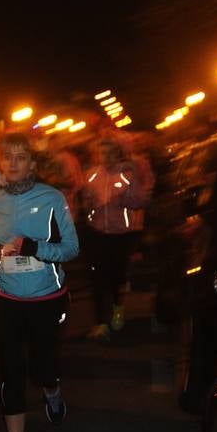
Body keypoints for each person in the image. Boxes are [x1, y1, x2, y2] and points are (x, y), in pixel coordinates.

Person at [0, 132, 79, 432]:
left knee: (43, 368)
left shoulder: (52, 198)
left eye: (21, 157)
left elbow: (71, 249)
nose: (13, 163)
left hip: (46, 298)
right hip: (6, 299)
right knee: (11, 372)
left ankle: (52, 389)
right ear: (0, 163)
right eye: (8, 157)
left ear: (32, 164)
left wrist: (35, 247)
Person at [79, 129, 153, 340]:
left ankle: (118, 307)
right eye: (102, 154)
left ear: (117, 154)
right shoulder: (92, 174)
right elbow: (84, 200)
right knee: (97, 278)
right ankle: (100, 322)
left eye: (110, 153)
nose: (106, 158)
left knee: (116, 276)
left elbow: (141, 201)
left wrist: (125, 198)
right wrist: (88, 206)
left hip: (121, 234)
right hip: (96, 232)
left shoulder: (127, 174)